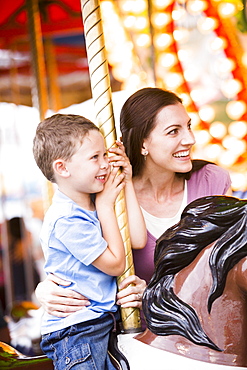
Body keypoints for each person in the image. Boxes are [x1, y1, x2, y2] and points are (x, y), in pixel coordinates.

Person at [35, 87, 232, 321]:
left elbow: (235, 268)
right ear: (142, 144)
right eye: (173, 132)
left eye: (188, 126)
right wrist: (44, 289)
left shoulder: (212, 182)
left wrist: (153, 295)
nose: (190, 139)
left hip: (213, 329)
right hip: (147, 337)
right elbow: (72, 259)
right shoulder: (106, 195)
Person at [32, 114, 146, 369]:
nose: (105, 164)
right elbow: (117, 264)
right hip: (76, 331)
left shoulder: (94, 202)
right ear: (62, 168)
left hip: (103, 323)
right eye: (95, 157)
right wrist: (106, 205)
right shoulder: (67, 219)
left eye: (105, 155)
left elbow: (136, 239)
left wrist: (125, 183)